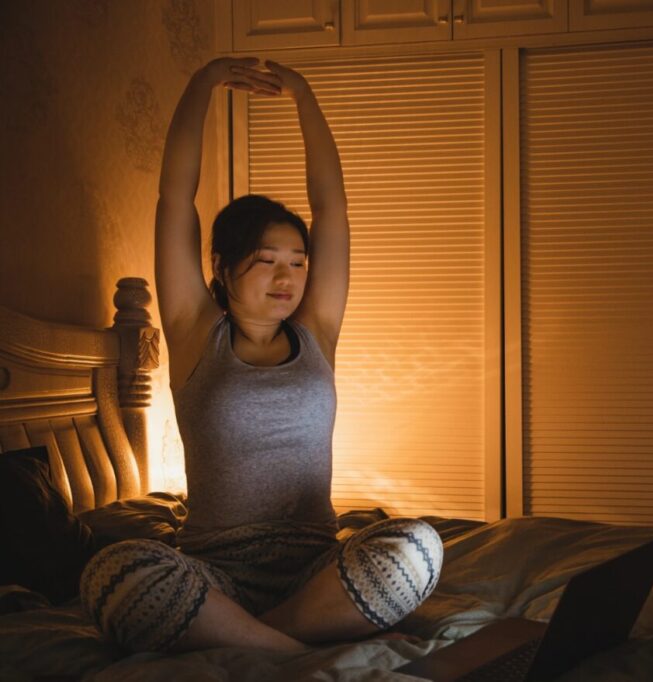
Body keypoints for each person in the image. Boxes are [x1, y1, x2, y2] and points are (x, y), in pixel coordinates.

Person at [78, 58, 443, 654]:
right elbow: (175, 197)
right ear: (222, 269)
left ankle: (255, 639)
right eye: (267, 260)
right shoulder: (195, 331)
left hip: (315, 570)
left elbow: (332, 210)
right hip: (214, 574)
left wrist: (303, 94)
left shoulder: (317, 332)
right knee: (112, 572)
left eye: (298, 262)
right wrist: (201, 83)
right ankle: (298, 650)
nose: (287, 276)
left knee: (419, 544)